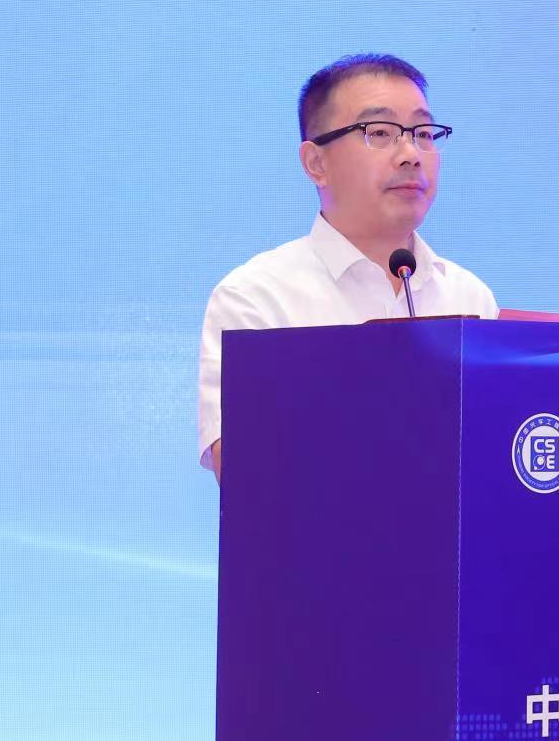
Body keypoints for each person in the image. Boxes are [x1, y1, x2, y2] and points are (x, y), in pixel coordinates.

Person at [197, 54, 499, 483]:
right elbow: (249, 479)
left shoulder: (469, 297)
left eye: (423, 133)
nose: (411, 154)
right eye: (380, 133)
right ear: (316, 163)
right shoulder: (257, 299)